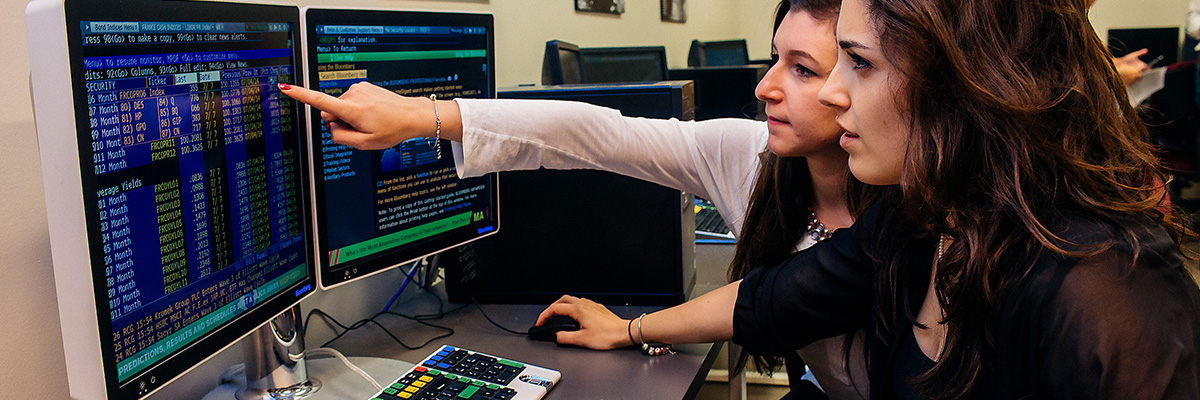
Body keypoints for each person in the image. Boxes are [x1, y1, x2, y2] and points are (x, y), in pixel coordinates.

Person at [281, 1, 878, 398]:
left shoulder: (920, 210)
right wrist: (423, 116)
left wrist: (636, 328)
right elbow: (595, 135)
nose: (765, 85)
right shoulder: (753, 160)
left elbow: (767, 300)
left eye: (802, 69)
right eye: (776, 58)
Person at [730, 0, 1200, 397]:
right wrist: (651, 328)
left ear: (965, 79)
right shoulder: (923, 219)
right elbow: (780, 297)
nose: (833, 92)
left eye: (860, 61)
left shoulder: (1105, 287)